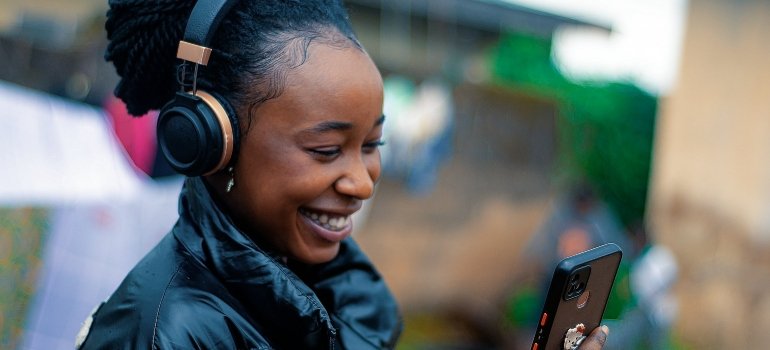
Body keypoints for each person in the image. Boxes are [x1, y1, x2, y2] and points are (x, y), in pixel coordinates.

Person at [77, 0, 610, 349]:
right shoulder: (170, 333)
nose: (363, 182)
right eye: (327, 149)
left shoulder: (331, 291)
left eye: (373, 144)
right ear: (210, 142)